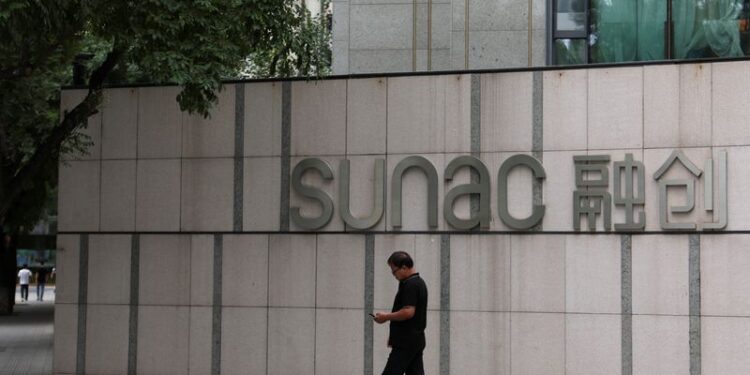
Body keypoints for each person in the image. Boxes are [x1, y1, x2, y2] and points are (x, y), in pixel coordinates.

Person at [373, 251, 428, 375]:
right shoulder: (418, 282)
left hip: (406, 342)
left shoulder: (411, 284)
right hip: (416, 340)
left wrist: (385, 317)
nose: (393, 275)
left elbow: (408, 312)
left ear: (404, 267)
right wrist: (394, 336)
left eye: (394, 271)